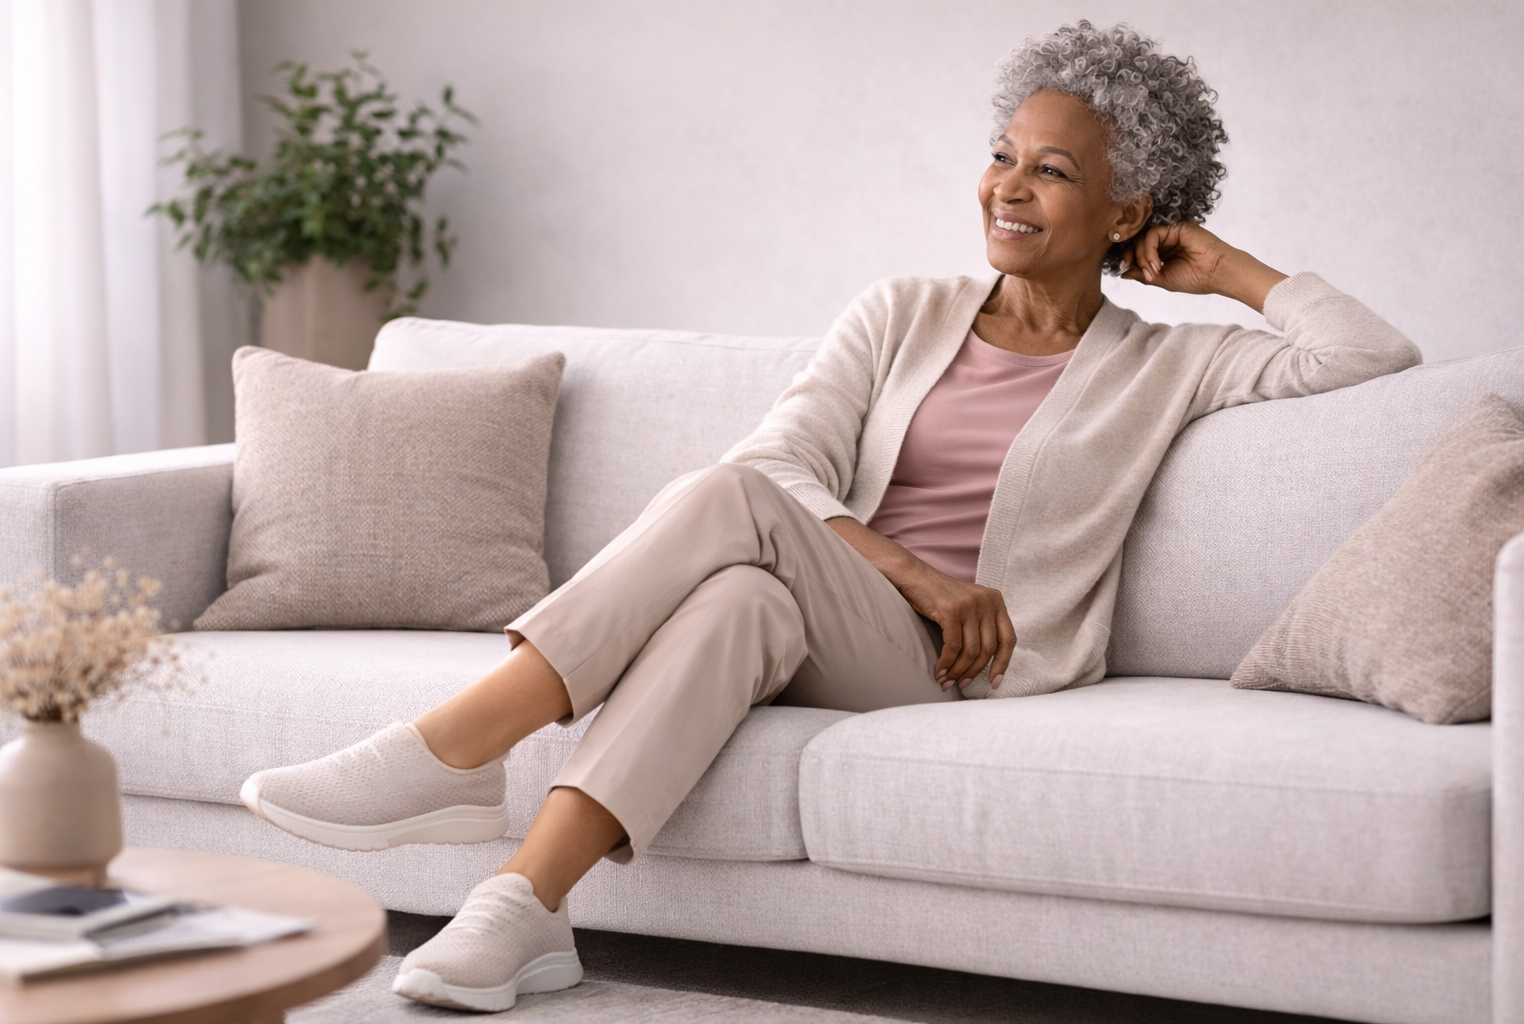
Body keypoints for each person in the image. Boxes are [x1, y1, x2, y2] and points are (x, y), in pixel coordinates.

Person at [239, 20, 1420, 1013]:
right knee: (741, 586)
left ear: (1127, 209)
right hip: (852, 621)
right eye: (1002, 154)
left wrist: (1223, 268)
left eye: (1052, 171)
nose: (1007, 186)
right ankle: (525, 908)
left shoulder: (1169, 364)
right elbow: (776, 462)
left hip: (976, 663)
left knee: (728, 505)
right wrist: (918, 573)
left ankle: (451, 748)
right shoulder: (903, 309)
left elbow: (1369, 352)